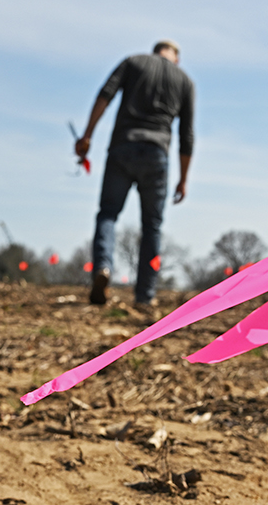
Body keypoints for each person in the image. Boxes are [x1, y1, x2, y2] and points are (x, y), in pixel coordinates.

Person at [75, 40, 194, 307]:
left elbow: (105, 95)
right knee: (152, 226)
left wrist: (87, 135)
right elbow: (187, 135)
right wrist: (184, 178)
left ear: (155, 52)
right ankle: (144, 295)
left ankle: (103, 268)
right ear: (176, 58)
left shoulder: (133, 62)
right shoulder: (184, 81)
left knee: (108, 213)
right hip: (157, 154)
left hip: (122, 147)